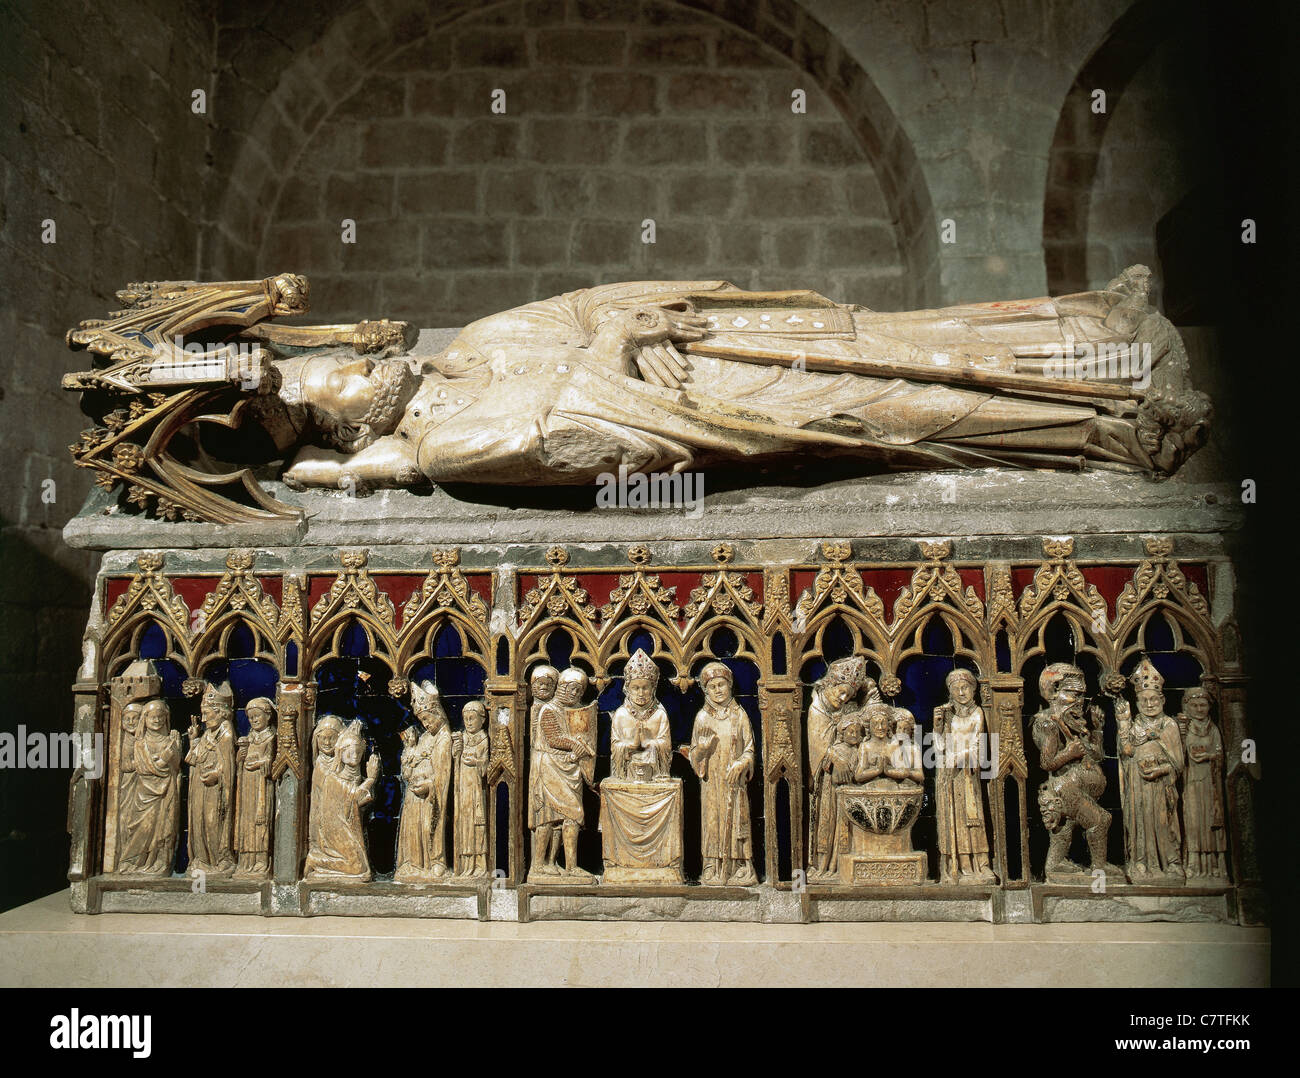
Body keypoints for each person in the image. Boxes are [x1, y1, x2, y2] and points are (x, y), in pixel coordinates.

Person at [275, 272, 1210, 493]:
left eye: (342, 357)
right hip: (708, 409)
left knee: (877, 335)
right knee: (897, 404)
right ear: (346, 430)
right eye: (340, 383)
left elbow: (580, 311)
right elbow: (602, 447)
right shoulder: (448, 445)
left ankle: (1091, 336)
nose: (361, 364)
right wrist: (615, 344)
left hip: (705, 341)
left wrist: (627, 321)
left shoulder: (465, 350)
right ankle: (1111, 428)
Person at [687, 662, 757, 885]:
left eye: (722, 685)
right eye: (713, 686)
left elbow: (750, 749)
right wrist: (703, 750)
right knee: (712, 821)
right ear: (706, 690)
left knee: (737, 821)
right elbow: (694, 755)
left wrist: (742, 763)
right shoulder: (702, 718)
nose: (718, 690)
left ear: (730, 686)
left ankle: (739, 867)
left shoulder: (740, 715)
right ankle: (711, 865)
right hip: (712, 782)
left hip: (734, 781)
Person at [1117, 658, 1185, 880]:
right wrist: (1123, 723)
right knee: (1139, 823)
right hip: (1138, 786)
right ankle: (1140, 861)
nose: (1149, 704)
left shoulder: (1170, 726)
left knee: (1163, 823)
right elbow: (1126, 751)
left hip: (1162, 786)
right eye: (1144, 700)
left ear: (1162, 699)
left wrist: (1161, 770)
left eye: (1154, 699)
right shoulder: (1135, 726)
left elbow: (1178, 763)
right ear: (1136, 702)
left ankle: (1171, 863)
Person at [530, 667, 595, 879]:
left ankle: (556, 863)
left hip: (566, 767)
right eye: (572, 689)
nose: (576, 695)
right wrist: (575, 744)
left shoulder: (567, 712)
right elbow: (554, 739)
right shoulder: (549, 710)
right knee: (549, 817)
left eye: (579, 691)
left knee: (565, 817)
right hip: (549, 766)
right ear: (562, 687)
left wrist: (576, 748)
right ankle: (539, 865)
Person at [933, 669, 995, 883]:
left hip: (968, 774)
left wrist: (959, 756)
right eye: (956, 689)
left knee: (974, 819)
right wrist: (938, 728)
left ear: (973, 689)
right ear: (949, 692)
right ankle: (961, 865)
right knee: (954, 820)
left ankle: (982, 864)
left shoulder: (978, 713)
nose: (961, 692)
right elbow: (939, 748)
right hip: (949, 777)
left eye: (965, 688)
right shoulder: (947, 714)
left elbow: (978, 746)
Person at [304, 721, 379, 880]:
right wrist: (371, 778)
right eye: (349, 752)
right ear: (340, 753)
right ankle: (316, 861)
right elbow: (356, 797)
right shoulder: (333, 778)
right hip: (337, 830)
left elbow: (361, 800)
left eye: (358, 752)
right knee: (359, 868)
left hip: (348, 826)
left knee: (362, 869)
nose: (354, 756)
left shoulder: (351, 774)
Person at [116, 699, 182, 875]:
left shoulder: (170, 740)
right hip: (144, 793)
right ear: (145, 719)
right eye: (152, 717)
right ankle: (133, 862)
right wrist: (162, 760)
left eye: (160, 717)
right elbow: (142, 768)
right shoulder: (140, 743)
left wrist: (172, 754)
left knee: (163, 829)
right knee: (139, 827)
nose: (156, 721)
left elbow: (176, 767)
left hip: (166, 791)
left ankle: (159, 863)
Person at [394, 680, 452, 882]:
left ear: (437, 713)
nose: (426, 724)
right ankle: (413, 863)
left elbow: (444, 777)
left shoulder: (444, 739)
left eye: (427, 718)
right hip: (414, 795)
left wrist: (429, 785)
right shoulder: (426, 737)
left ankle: (435, 861)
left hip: (430, 797)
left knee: (428, 826)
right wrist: (410, 748)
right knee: (412, 829)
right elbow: (410, 767)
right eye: (422, 720)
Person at [185, 682, 236, 877]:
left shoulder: (226, 731)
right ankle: (202, 858)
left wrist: (217, 773)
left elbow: (228, 764)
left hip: (216, 788)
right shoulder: (207, 733)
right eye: (203, 713)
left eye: (207, 713)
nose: (204, 718)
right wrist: (194, 739)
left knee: (213, 821)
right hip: (200, 785)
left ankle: (219, 859)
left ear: (221, 712)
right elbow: (194, 758)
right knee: (198, 821)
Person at [1180, 684, 1227, 879]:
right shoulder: (1184, 728)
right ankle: (1194, 862)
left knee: (1211, 821)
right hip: (1191, 783)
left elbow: (1220, 754)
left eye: (1203, 705)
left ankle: (1217, 864)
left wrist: (1209, 756)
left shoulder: (1213, 729)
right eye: (1195, 705)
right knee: (1193, 821)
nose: (1199, 710)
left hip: (1210, 784)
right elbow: (1177, 755)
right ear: (1187, 706)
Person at [610, 649, 672, 782]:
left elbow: (666, 745)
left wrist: (648, 743)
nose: (641, 693)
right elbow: (615, 746)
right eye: (636, 688)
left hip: (653, 772)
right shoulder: (621, 714)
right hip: (628, 772)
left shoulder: (659, 714)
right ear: (627, 689)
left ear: (653, 688)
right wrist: (632, 744)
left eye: (645, 687)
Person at [233, 696, 277, 879]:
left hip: (261, 786)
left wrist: (260, 763)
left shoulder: (271, 737)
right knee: (246, 823)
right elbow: (238, 766)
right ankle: (246, 862)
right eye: (250, 718)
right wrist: (240, 758)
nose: (254, 720)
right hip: (246, 786)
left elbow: (271, 762)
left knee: (261, 822)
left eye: (257, 716)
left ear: (267, 716)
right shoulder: (247, 739)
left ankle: (261, 861)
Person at [453, 700, 491, 878]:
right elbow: (453, 765)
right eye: (466, 718)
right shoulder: (461, 738)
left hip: (477, 791)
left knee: (478, 826)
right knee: (465, 826)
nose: (468, 722)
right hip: (463, 792)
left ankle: (480, 865)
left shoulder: (484, 739)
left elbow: (487, 766)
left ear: (482, 720)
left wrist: (477, 762)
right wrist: (456, 753)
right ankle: (466, 865)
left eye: (472, 718)